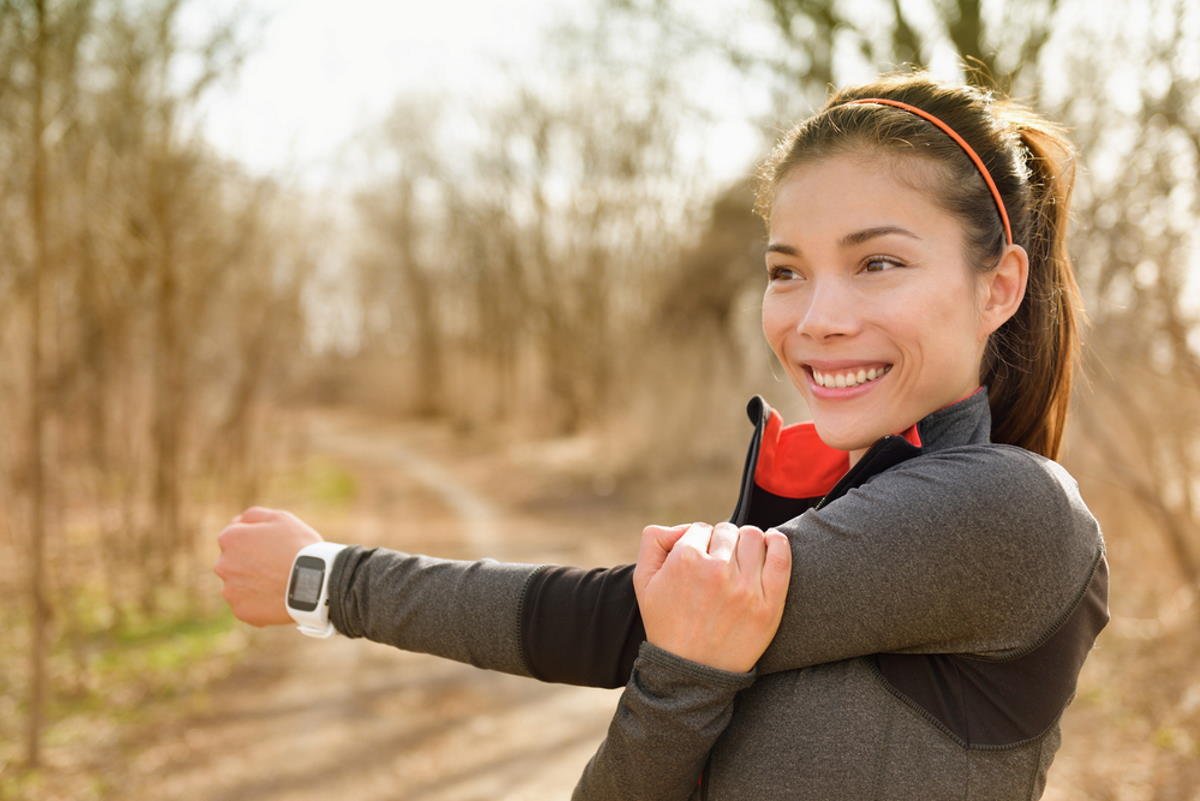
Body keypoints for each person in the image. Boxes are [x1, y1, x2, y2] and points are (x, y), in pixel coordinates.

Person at [213, 66, 1109, 800]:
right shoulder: (838, 499)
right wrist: (683, 677)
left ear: (998, 286)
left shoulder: (1010, 509)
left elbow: (614, 622)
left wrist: (327, 581)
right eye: (787, 271)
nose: (818, 316)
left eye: (879, 262)